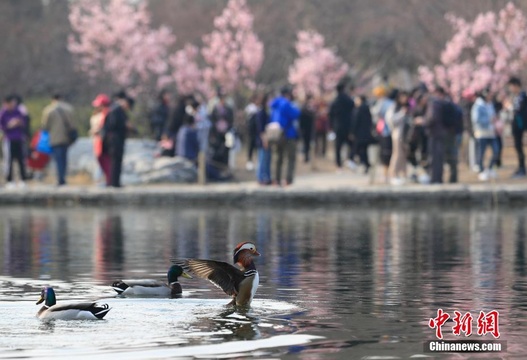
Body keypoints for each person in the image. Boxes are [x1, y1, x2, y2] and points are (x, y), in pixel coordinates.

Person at [41, 94, 75, 186]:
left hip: (55, 138)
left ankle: (60, 179)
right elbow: (72, 125)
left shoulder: (49, 110)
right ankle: (63, 177)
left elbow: (45, 126)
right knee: (64, 159)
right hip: (66, 138)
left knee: (58, 159)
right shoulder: (69, 109)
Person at [103, 91, 135, 188]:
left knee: (117, 161)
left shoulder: (118, 110)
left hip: (118, 139)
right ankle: (114, 183)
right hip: (114, 140)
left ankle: (115, 182)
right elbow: (112, 125)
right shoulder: (116, 110)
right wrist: (125, 125)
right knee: (115, 161)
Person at [270, 86, 300, 186]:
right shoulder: (286, 104)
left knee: (278, 158)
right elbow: (295, 114)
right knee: (290, 158)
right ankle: (288, 179)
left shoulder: (274, 104)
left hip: (276, 134)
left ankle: (276, 179)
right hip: (288, 133)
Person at [0, 95, 28, 188]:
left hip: (19, 139)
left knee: (21, 160)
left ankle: (22, 180)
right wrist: (10, 125)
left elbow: (24, 123)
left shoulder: (18, 111)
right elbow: (2, 127)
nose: (13, 104)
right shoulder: (3, 113)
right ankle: (9, 180)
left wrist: (19, 122)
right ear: (6, 103)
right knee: (9, 160)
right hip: (8, 139)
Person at [471, 90, 499, 181]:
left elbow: (493, 116)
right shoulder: (478, 105)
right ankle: (481, 171)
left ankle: (490, 168)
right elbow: (476, 119)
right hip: (481, 133)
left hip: (491, 132)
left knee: (496, 150)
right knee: (481, 153)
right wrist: (488, 121)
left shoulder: (490, 104)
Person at [424, 87, 448, 184]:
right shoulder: (444, 103)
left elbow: (431, 118)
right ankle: (438, 178)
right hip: (442, 133)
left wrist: (424, 122)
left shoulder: (434, 104)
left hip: (434, 134)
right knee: (439, 157)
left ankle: (435, 178)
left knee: (435, 157)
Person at [371, 86, 395, 182]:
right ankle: (388, 173)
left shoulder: (382, 103)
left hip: (385, 131)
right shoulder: (392, 103)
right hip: (391, 131)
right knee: (389, 152)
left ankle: (386, 174)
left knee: (385, 153)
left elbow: (375, 114)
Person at [329, 82, 355, 171]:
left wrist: (331, 126)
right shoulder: (348, 100)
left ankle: (339, 165)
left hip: (337, 127)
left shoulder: (335, 101)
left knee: (338, 147)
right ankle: (350, 159)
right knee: (351, 144)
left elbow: (330, 115)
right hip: (348, 126)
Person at [386, 91, 410, 184]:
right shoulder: (394, 107)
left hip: (405, 135)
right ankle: (393, 174)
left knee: (403, 156)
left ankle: (403, 174)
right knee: (397, 155)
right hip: (397, 135)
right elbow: (391, 120)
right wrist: (402, 114)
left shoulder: (406, 107)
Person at [89, 94, 111, 186]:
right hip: (97, 141)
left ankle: (106, 180)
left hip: (103, 142)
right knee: (100, 161)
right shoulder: (97, 116)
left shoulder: (107, 115)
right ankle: (101, 180)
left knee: (105, 162)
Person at [507, 77, 527, 178]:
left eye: (511, 86)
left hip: (520, 126)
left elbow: (519, 111)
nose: (510, 89)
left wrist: (510, 107)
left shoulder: (523, 97)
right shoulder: (515, 97)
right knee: (518, 147)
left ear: (516, 86)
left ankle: (522, 169)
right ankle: (521, 167)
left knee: (519, 147)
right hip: (516, 126)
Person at [209, 93, 234, 168]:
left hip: (226, 132)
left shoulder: (228, 109)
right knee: (217, 149)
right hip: (217, 133)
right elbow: (212, 120)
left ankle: (225, 165)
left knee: (226, 149)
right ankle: (217, 166)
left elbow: (231, 120)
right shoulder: (215, 109)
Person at [351, 95, 373, 173]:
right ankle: (366, 164)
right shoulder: (367, 108)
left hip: (359, 134)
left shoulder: (358, 109)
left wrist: (352, 132)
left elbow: (355, 122)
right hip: (366, 133)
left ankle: (365, 164)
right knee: (364, 150)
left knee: (359, 150)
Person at [255, 93, 271, 185]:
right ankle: (261, 177)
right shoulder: (261, 113)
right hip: (262, 139)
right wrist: (264, 140)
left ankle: (267, 177)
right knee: (262, 159)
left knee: (266, 159)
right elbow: (261, 129)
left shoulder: (265, 111)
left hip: (266, 138)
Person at [299, 94, 315, 163]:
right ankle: (306, 157)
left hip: (308, 128)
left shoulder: (308, 107)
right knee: (306, 143)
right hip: (305, 128)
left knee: (307, 143)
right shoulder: (305, 108)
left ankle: (307, 156)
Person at [244, 95, 259, 171]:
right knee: (250, 147)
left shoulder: (259, 108)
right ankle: (249, 161)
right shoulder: (250, 108)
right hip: (251, 131)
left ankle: (257, 162)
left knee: (256, 148)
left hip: (257, 132)